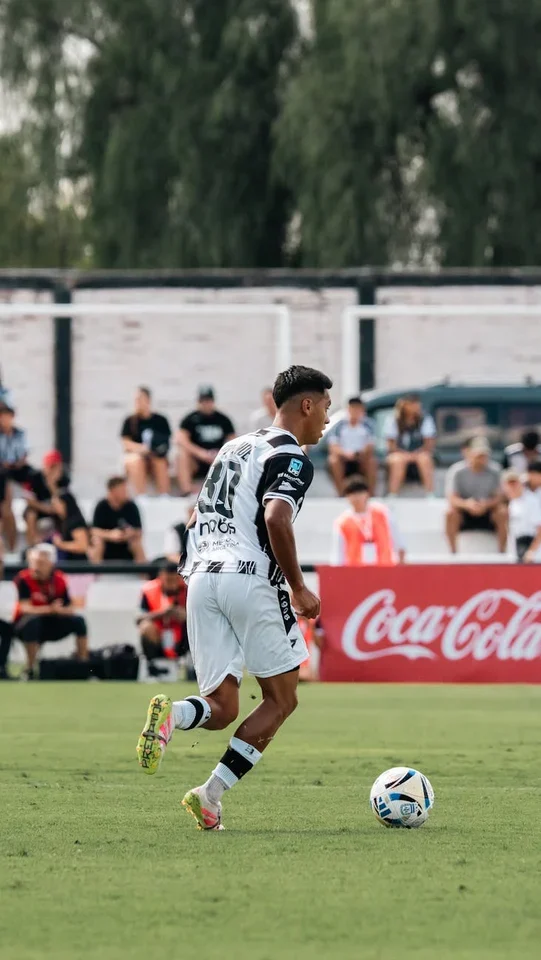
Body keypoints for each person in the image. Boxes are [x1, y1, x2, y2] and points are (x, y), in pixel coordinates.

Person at [136, 364, 332, 831]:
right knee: (281, 699)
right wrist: (298, 587)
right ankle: (211, 792)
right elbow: (276, 519)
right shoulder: (292, 457)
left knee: (222, 708)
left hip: (202, 577)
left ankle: (175, 717)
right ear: (306, 405)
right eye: (325, 405)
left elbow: (195, 517)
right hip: (249, 577)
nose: (327, 416)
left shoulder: (234, 446)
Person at [12, 544, 89, 679]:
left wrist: (59, 610)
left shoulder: (59, 579)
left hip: (53, 621)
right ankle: (30, 668)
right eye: (34, 562)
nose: (36, 567)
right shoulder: (23, 579)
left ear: (51, 564)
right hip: (25, 624)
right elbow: (25, 608)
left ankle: (83, 665)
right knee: (32, 623)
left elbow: (70, 607)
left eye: (41, 563)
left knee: (79, 621)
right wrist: (50, 609)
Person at [445, 436, 507, 553]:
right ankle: (453, 553)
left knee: (502, 512)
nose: (482, 459)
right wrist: (467, 504)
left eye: (484, 455)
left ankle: (502, 552)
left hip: (488, 513)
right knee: (450, 513)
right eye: (479, 455)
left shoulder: (495, 471)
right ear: (469, 453)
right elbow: (452, 498)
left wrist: (486, 504)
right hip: (465, 513)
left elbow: (500, 497)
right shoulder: (457, 471)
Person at [331, 476, 406, 565]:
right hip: (356, 573)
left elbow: (398, 542)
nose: (357, 497)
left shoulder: (383, 513)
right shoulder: (343, 522)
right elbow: (338, 554)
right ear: (347, 497)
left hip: (385, 570)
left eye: (360, 492)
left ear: (367, 494)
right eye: (352, 494)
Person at [176, 386, 235, 496]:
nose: (205, 404)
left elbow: (233, 440)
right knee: (181, 455)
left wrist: (220, 453)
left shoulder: (223, 419)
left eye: (208, 400)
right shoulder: (190, 419)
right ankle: (187, 490)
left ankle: (229, 490)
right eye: (202, 401)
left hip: (218, 459)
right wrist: (200, 453)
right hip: (197, 460)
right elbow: (181, 439)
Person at [120, 387, 171, 496]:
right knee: (136, 460)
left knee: (160, 461)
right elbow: (126, 443)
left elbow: (166, 441)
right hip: (137, 456)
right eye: (136, 400)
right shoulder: (130, 421)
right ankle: (141, 495)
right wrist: (141, 449)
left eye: (140, 399)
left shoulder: (160, 420)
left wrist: (153, 450)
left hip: (155, 455)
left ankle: (164, 494)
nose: (137, 402)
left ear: (148, 400)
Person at [383, 394, 436, 495]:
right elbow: (391, 445)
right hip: (399, 453)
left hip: (419, 453)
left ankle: (430, 493)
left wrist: (415, 454)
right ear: (404, 405)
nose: (416, 406)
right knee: (398, 460)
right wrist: (405, 455)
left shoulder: (425, 419)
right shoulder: (393, 420)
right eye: (412, 403)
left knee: (425, 459)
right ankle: (393, 494)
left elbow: (429, 444)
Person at [137, 561, 188, 663]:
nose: (172, 584)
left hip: (182, 635)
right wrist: (163, 613)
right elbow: (139, 618)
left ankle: (189, 663)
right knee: (146, 627)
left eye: (175, 580)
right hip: (159, 633)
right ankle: (153, 664)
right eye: (169, 580)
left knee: (195, 625)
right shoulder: (149, 590)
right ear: (161, 577)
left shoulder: (189, 588)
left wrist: (186, 616)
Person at [327, 396, 377, 495]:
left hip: (361, 457)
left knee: (372, 461)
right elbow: (333, 446)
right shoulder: (339, 425)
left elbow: (370, 445)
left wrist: (359, 453)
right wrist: (346, 454)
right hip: (343, 458)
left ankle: (370, 494)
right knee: (333, 460)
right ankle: (342, 493)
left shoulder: (368, 425)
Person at [91, 476, 145, 563]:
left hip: (127, 544)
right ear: (113, 491)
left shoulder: (131, 506)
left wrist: (129, 533)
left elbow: (139, 531)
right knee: (97, 542)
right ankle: (95, 573)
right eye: (123, 490)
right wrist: (110, 535)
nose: (126, 492)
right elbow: (94, 530)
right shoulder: (101, 506)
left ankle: (143, 573)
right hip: (107, 544)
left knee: (136, 543)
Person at [501, 470, 541, 563]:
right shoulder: (512, 503)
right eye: (509, 484)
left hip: (532, 552)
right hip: (517, 551)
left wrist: (531, 551)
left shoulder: (531, 501)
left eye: (514, 483)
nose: (512, 487)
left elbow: (540, 528)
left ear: (521, 484)